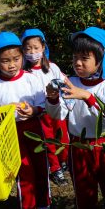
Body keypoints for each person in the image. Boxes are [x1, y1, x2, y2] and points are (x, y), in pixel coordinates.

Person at [45, 27, 105, 209]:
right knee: (84, 197)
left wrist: (86, 96)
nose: (77, 63)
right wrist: (52, 100)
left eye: (84, 58)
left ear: (101, 61)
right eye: (75, 57)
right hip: (79, 148)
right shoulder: (71, 82)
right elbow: (59, 114)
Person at [0, 31, 51, 209]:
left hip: (34, 128)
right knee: (23, 173)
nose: (12, 64)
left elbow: (42, 104)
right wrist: (7, 111)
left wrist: (33, 110)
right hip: (11, 134)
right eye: (5, 61)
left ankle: (43, 205)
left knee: (41, 168)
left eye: (16, 59)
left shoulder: (31, 78)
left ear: (22, 56)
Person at [21, 28, 69, 186]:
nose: (32, 52)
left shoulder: (52, 67)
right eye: (28, 49)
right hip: (40, 114)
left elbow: (64, 80)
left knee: (62, 137)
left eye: (36, 48)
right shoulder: (25, 73)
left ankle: (63, 161)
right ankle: (55, 169)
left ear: (43, 48)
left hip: (57, 109)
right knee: (48, 141)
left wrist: (70, 96)